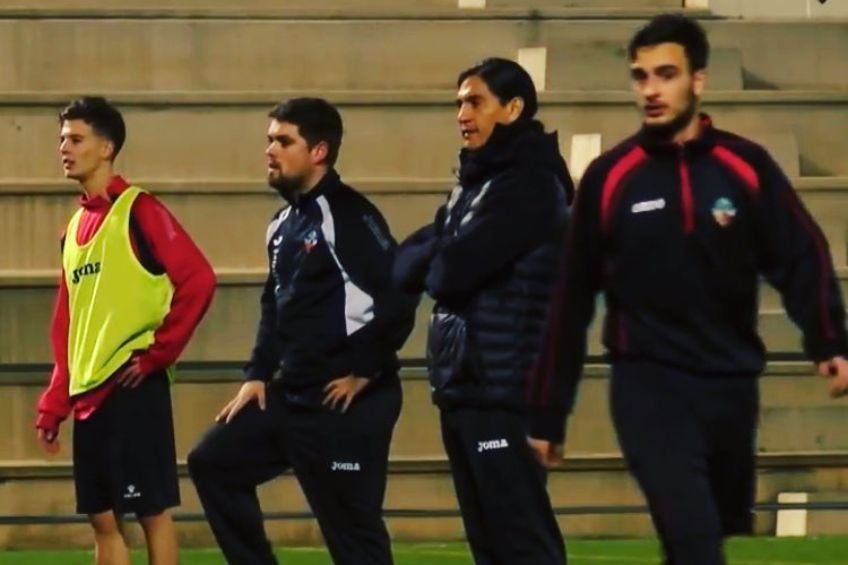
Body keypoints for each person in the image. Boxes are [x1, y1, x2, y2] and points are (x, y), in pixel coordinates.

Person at [526, 14, 848, 565]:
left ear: (698, 79)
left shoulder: (743, 168)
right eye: (641, 76)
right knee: (695, 540)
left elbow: (801, 255)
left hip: (730, 386)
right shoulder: (611, 178)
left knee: (701, 536)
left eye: (666, 74)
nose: (651, 89)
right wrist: (547, 411)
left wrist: (830, 341)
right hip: (648, 386)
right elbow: (570, 301)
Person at [187, 97, 416, 565]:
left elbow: (401, 292)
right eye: (270, 139)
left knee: (354, 538)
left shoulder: (348, 215)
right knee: (212, 463)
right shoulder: (282, 225)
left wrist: (366, 371)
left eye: (283, 141)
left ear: (319, 152)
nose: (270, 150)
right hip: (292, 394)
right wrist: (256, 374)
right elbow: (275, 304)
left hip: (346, 403)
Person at [394, 58, 573, 565]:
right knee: (489, 543)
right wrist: (443, 254)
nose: (462, 114)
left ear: (513, 108)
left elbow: (448, 273)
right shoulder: (475, 185)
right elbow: (403, 266)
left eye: (474, 102)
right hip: (466, 385)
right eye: (458, 104)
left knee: (522, 540)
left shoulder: (531, 184)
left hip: (503, 385)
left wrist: (441, 255)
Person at [35, 96, 217, 565]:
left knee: (149, 511)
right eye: (61, 140)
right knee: (101, 518)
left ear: (107, 147)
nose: (64, 148)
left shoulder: (141, 210)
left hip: (133, 384)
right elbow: (67, 324)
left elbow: (198, 279)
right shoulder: (72, 227)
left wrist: (159, 353)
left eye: (76, 139)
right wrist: (55, 402)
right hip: (88, 392)